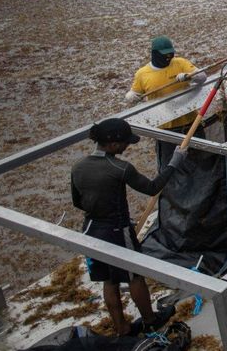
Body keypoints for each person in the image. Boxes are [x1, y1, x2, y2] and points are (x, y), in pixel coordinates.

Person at [71, 118, 188, 336]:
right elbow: (153, 188)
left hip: (91, 229)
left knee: (109, 280)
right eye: (125, 143)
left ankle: (121, 327)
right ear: (113, 144)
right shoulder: (120, 168)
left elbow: (77, 202)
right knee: (135, 276)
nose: (127, 146)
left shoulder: (78, 167)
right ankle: (150, 320)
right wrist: (174, 163)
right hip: (117, 231)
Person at [125, 36, 206, 133]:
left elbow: (203, 77)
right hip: (165, 129)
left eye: (170, 54)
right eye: (165, 55)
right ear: (155, 54)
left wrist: (190, 76)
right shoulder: (142, 74)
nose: (168, 58)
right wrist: (131, 96)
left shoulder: (180, 62)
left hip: (191, 123)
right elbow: (135, 94)